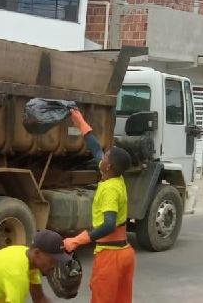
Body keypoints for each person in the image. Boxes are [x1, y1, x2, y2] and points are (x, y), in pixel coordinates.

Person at [63, 109, 135, 303]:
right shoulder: (115, 177)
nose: (101, 157)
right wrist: (80, 122)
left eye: (105, 158)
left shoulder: (110, 189)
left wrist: (76, 241)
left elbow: (109, 224)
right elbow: (95, 148)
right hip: (124, 253)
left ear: (108, 166)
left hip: (111, 256)